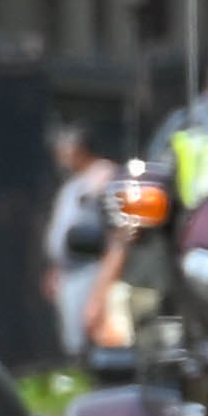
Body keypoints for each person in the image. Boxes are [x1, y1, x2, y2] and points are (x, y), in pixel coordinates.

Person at [40, 119, 120, 359]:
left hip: (92, 271)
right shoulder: (73, 184)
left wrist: (99, 293)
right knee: (73, 344)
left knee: (92, 341)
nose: (60, 155)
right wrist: (57, 267)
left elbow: (117, 235)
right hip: (69, 274)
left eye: (64, 148)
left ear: (78, 147)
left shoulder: (105, 177)